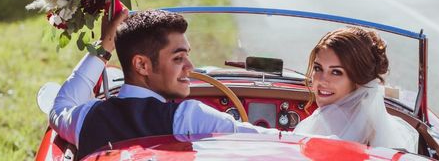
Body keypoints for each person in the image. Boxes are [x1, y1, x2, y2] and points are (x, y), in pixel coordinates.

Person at [50, 8, 275, 159]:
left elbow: (60, 107)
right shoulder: (189, 118)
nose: (190, 66)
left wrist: (105, 44)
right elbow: (268, 144)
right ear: (142, 65)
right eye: (178, 58)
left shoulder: (86, 117)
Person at [293, 27, 419, 152]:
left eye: (336, 72)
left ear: (358, 80)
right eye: (318, 68)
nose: (322, 80)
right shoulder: (374, 123)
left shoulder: (325, 124)